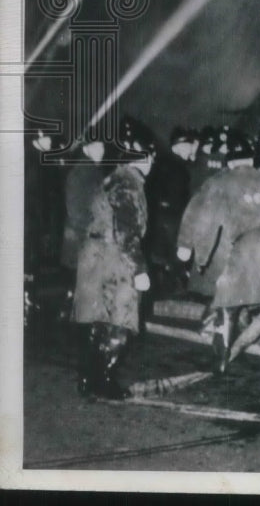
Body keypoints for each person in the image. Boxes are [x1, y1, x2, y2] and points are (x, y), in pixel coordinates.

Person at [176, 129, 260, 374]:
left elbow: (200, 218)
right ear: (251, 159)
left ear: (229, 161)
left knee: (228, 303)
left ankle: (221, 360)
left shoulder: (219, 182)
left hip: (243, 251)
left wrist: (193, 251)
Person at [72, 117, 155, 400]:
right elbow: (127, 231)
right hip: (114, 261)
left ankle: (88, 377)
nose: (151, 163)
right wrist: (140, 269)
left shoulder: (111, 178)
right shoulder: (129, 185)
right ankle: (103, 380)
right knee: (120, 323)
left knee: (99, 322)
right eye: (150, 156)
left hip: (95, 256)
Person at [143, 129, 192, 294]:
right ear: (176, 147)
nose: (190, 150)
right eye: (186, 146)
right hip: (171, 219)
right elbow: (177, 197)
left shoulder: (164, 163)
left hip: (161, 218)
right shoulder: (178, 168)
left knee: (162, 258)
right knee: (173, 258)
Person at [61, 138, 109, 276]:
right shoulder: (79, 174)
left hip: (89, 243)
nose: (101, 152)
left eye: (103, 147)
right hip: (81, 242)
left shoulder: (95, 172)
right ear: (85, 149)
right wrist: (99, 227)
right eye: (97, 147)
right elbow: (75, 213)